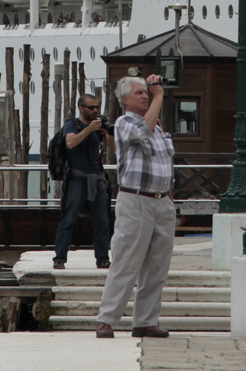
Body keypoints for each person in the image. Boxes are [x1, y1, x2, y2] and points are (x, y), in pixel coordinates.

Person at [96, 74, 176, 339]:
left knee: (157, 268)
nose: (145, 95)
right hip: (135, 200)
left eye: (147, 92)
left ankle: (145, 321)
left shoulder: (160, 125)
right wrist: (159, 96)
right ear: (125, 100)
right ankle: (107, 319)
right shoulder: (124, 122)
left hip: (161, 201)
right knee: (125, 261)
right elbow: (144, 130)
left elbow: (166, 161)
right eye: (140, 92)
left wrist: (169, 196)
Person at [53, 93, 111, 271]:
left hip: (97, 178)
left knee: (102, 221)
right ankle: (60, 258)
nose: (95, 110)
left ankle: (102, 258)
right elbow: (70, 143)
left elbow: (114, 147)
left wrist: (106, 132)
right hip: (77, 179)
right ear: (81, 108)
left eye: (97, 107)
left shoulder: (98, 126)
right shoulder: (73, 124)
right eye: (91, 107)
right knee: (68, 219)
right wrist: (89, 130)